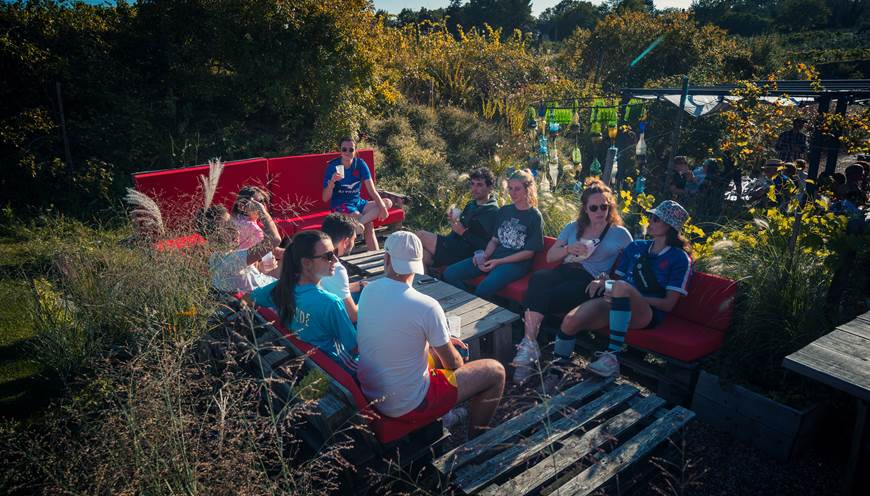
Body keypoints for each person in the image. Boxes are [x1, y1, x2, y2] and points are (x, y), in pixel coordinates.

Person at [356, 231, 505, 438]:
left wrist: (434, 342)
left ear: (387, 258)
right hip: (408, 405)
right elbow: (453, 364)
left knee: (432, 353)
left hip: (372, 391)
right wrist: (446, 346)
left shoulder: (368, 291)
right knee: (495, 371)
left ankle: (451, 416)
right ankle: (476, 443)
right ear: (418, 263)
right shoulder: (427, 306)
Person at [512, 178, 632, 384]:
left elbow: (630, 265)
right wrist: (568, 248)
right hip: (565, 268)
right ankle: (530, 343)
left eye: (604, 206)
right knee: (540, 277)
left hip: (589, 280)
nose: (599, 211)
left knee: (542, 296)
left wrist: (608, 280)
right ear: (585, 209)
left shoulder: (619, 234)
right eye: (594, 207)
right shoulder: (573, 227)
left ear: (610, 206)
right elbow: (550, 257)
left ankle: (528, 348)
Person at [555, 200, 692, 379]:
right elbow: (617, 283)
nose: (650, 220)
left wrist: (627, 294)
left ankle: (612, 356)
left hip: (646, 313)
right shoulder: (636, 246)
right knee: (570, 321)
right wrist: (604, 281)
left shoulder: (680, 259)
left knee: (621, 287)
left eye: (656, 218)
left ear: (670, 226)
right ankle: (554, 373)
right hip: (616, 303)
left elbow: (668, 305)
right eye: (650, 216)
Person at [250, 230, 358, 373]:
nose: (336, 260)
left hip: (305, 361)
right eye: (329, 256)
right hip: (337, 367)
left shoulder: (282, 288)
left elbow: (251, 298)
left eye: (335, 253)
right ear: (307, 263)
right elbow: (354, 347)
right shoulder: (331, 303)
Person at [443, 169, 544, 298]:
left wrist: (499, 261)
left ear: (527, 189)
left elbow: (528, 253)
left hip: (515, 264)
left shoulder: (534, 216)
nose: (512, 193)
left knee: (483, 289)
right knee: (449, 274)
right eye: (510, 188)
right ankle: (466, 301)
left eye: (517, 189)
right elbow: (494, 240)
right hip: (494, 257)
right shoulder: (504, 211)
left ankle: (473, 306)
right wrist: (485, 256)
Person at [417, 167, 500, 267]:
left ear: (490, 188)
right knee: (423, 257)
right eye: (472, 184)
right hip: (454, 246)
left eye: (479, 185)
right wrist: (453, 223)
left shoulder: (493, 212)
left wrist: (463, 232)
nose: (474, 189)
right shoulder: (471, 205)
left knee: (420, 235)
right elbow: (459, 229)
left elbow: (487, 245)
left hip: (468, 254)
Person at [322, 136, 393, 252]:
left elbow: (371, 189)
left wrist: (383, 207)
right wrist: (332, 182)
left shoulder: (360, 164)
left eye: (351, 150)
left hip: (357, 202)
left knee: (387, 202)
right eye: (344, 149)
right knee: (369, 225)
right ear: (340, 150)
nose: (347, 152)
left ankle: (357, 225)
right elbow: (325, 198)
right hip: (341, 204)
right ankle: (376, 258)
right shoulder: (333, 167)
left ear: (355, 151)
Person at [196, 202, 280, 293]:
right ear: (211, 237)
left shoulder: (229, 256)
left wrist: (261, 269)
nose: (234, 230)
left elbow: (246, 280)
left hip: (273, 291)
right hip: (271, 299)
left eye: (231, 223)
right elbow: (275, 240)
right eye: (226, 227)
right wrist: (262, 211)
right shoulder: (224, 259)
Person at [319, 213, 366, 322]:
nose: (354, 242)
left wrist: (358, 285)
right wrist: (369, 299)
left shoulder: (310, 256)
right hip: (326, 323)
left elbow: (325, 286)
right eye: (354, 239)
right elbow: (353, 316)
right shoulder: (336, 268)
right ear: (346, 242)